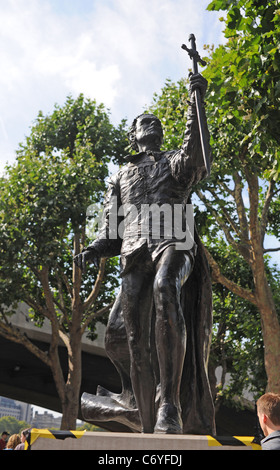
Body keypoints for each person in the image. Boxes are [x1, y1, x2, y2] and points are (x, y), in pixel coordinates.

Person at [75, 73, 215, 435]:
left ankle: (170, 403)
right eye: (143, 122)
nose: (151, 124)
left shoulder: (175, 162)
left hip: (175, 240)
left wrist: (195, 100)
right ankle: (144, 411)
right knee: (135, 337)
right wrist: (95, 248)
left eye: (156, 123)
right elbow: (112, 227)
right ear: (133, 134)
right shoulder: (121, 174)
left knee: (166, 288)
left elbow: (199, 155)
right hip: (134, 250)